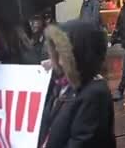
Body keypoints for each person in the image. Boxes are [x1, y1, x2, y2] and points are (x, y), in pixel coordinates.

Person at [38, 20, 115, 148]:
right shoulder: (63, 85)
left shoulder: (94, 94)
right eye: (56, 53)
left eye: (63, 54)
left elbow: (82, 142)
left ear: (79, 54)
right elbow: (45, 123)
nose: (59, 61)